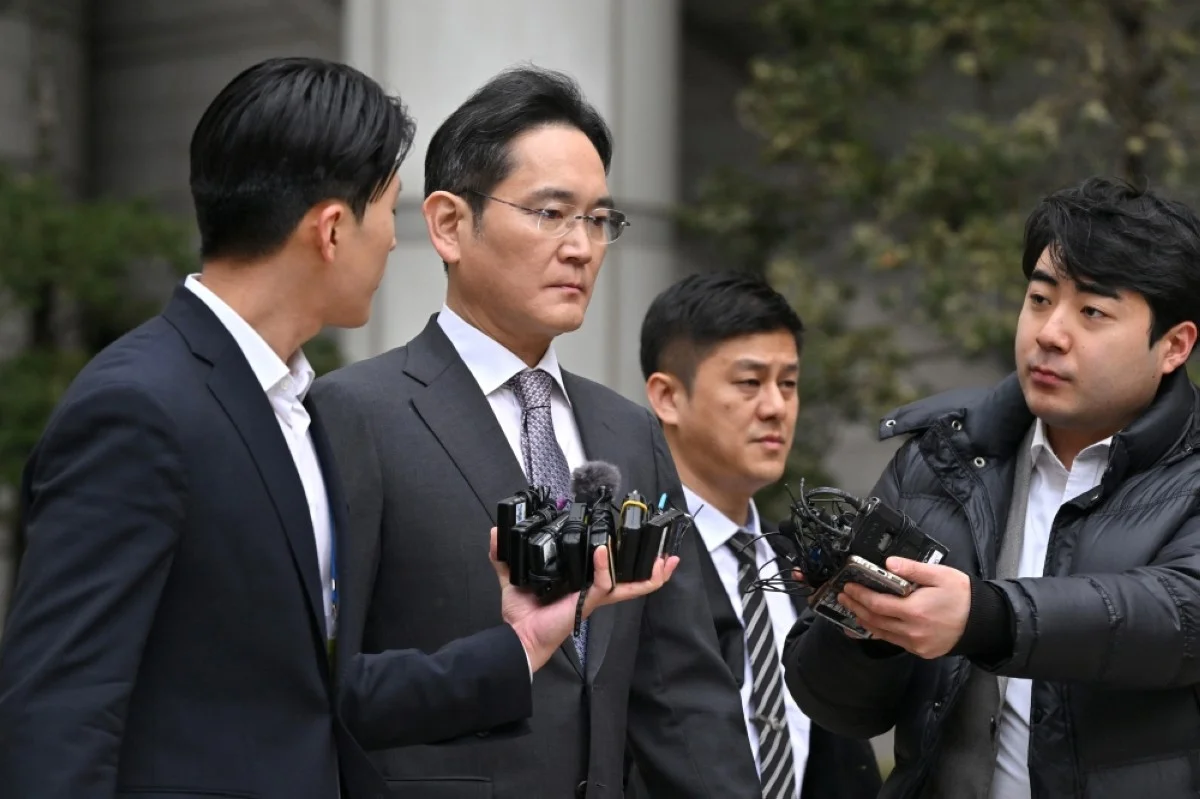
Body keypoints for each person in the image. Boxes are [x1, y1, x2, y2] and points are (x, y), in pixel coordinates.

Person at [0, 56, 678, 799]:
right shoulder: (141, 406)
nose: (393, 241)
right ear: (331, 229)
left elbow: (318, 695)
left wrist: (519, 645)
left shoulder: (292, 409)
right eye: (388, 210)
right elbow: (60, 711)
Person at [309, 65, 759, 799]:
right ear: (451, 224)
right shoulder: (352, 414)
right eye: (551, 213)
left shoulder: (627, 432)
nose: (583, 247)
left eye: (599, 219)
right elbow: (321, 685)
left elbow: (683, 695)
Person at [783, 175, 1200, 798]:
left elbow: (1175, 616)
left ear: (1173, 346)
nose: (1050, 334)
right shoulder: (942, 455)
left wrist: (986, 618)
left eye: (1092, 312)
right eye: (1039, 299)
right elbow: (844, 710)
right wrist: (863, 630)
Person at [638, 271, 884, 799]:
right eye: (749, 382)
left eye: (788, 383)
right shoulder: (629, 562)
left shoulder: (799, 566)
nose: (776, 406)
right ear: (667, 397)